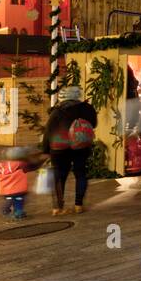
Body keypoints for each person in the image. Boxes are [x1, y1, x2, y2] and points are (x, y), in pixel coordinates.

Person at [42, 85, 98, 215]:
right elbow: (93, 124)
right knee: (80, 173)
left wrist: (45, 150)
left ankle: (58, 208)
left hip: (59, 147)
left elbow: (48, 131)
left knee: (59, 176)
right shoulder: (87, 108)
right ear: (77, 95)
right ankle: (78, 205)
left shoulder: (57, 111)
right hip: (80, 144)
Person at [0, 146, 41, 220]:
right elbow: (33, 166)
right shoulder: (21, 164)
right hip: (18, 189)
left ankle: (16, 211)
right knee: (19, 200)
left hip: (5, 190)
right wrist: (39, 160)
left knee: (11, 199)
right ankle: (15, 211)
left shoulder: (2, 165)